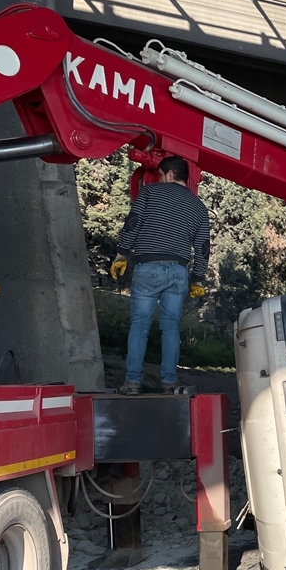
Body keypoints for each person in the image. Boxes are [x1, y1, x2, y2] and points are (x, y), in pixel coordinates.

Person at [110, 156, 210, 395]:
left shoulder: (149, 193)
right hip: (178, 271)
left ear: (168, 173)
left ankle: (133, 382)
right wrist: (197, 278)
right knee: (171, 327)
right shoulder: (199, 207)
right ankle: (169, 382)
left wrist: (122, 254)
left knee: (139, 325)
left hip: (148, 266)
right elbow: (203, 246)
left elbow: (132, 224)